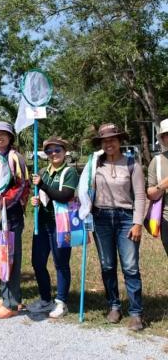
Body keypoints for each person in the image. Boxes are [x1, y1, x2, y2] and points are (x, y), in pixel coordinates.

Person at [91, 123, 145, 331]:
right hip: (101, 218)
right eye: (104, 141)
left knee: (130, 266)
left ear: (120, 141)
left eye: (112, 139)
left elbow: (140, 196)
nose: (109, 144)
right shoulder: (95, 165)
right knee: (107, 265)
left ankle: (136, 313)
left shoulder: (132, 164)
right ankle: (114, 306)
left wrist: (137, 223)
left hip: (126, 219)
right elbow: (85, 191)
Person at [29, 137, 78, 318]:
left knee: (61, 263)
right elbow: (44, 196)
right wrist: (36, 200)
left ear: (64, 151)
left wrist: (41, 184)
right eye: (49, 151)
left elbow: (64, 196)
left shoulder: (69, 172)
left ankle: (61, 302)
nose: (53, 154)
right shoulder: (43, 172)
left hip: (61, 224)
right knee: (37, 262)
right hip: (42, 223)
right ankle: (45, 299)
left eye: (57, 150)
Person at [0, 121, 30, 319]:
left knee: (10, 256)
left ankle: (11, 303)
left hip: (10, 215)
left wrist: (0, 200)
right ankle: (9, 297)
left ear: (10, 136)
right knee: (1, 255)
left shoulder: (15, 157)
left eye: (3, 133)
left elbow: (22, 186)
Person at [147, 118, 168, 256]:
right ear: (163, 138)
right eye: (167, 135)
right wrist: (163, 185)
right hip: (166, 219)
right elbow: (150, 194)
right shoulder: (157, 162)